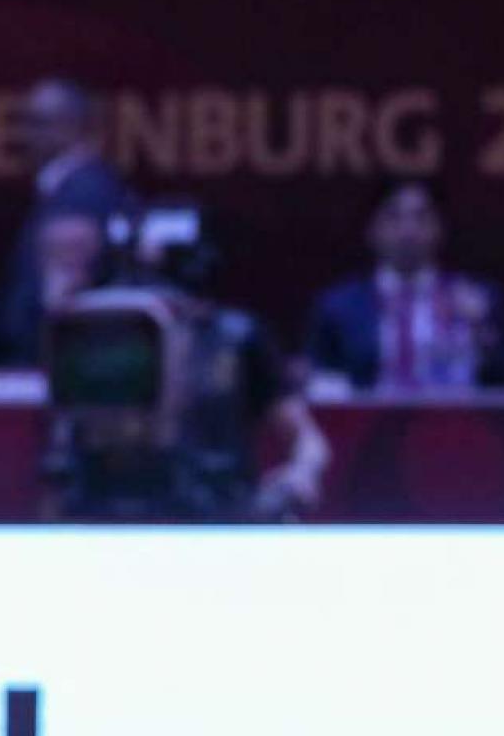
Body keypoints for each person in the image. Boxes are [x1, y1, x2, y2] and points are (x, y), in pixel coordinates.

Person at [44, 200, 329, 521]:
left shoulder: (236, 337)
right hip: (109, 516)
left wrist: (300, 474)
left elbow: (308, 441)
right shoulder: (94, 332)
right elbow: (64, 439)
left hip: (217, 513)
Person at [305, 179, 504, 391]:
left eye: (421, 218)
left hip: (457, 414)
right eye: (394, 217)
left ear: (440, 228)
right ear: (372, 229)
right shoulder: (340, 307)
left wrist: (483, 331)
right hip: (371, 415)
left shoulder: (479, 299)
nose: (408, 231)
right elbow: (321, 384)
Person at [2, 78, 132, 355]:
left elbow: (61, 300)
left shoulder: (81, 191)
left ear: (70, 125)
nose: (24, 134)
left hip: (61, 362)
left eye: (35, 122)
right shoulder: (70, 188)